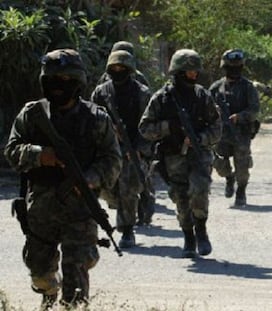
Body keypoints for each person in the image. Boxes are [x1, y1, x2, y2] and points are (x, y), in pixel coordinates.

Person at [3, 49, 122, 310]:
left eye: (67, 80)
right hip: (41, 210)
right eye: (54, 80)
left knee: (76, 284)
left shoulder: (96, 119)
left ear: (78, 82)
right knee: (39, 273)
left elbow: (113, 161)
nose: (59, 86)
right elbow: (11, 151)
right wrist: (38, 155)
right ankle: (50, 290)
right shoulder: (32, 115)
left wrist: (90, 179)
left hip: (80, 212)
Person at [139, 49, 222, 258]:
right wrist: (169, 127)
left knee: (200, 190)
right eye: (190, 71)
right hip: (173, 156)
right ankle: (188, 237)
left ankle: (201, 230)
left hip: (199, 154)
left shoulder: (202, 95)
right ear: (178, 71)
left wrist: (200, 139)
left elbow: (217, 127)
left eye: (196, 72)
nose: (194, 75)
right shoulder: (162, 98)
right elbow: (145, 128)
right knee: (181, 198)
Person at [91, 50, 152, 248]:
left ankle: (127, 230)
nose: (118, 71)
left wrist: (139, 149)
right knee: (107, 190)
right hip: (107, 148)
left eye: (122, 68)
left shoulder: (142, 93)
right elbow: (91, 119)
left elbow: (148, 124)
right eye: (114, 68)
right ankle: (130, 209)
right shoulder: (101, 92)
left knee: (128, 189)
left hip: (132, 149)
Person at [209, 49, 259, 207]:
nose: (234, 71)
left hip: (241, 133)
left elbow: (254, 110)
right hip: (221, 134)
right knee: (217, 162)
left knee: (242, 166)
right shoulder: (216, 88)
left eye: (237, 68)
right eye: (231, 68)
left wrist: (240, 116)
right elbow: (204, 108)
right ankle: (229, 178)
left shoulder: (248, 87)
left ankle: (241, 191)